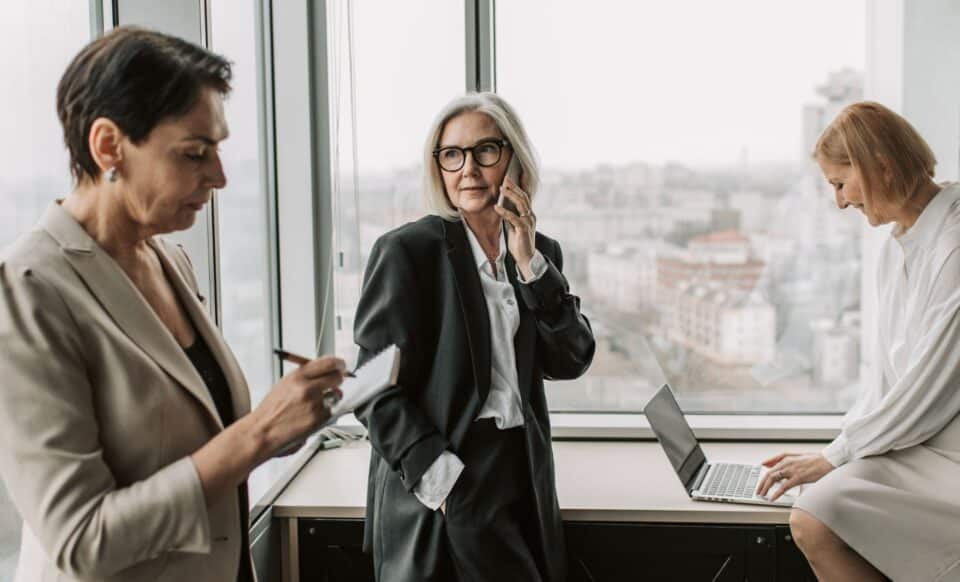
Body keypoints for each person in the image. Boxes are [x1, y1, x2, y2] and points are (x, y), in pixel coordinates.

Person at [0, 27, 346, 582]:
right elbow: (82, 540)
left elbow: (196, 442)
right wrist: (256, 433)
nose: (220, 176)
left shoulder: (170, 259)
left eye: (218, 149)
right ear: (108, 145)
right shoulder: (27, 290)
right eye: (194, 153)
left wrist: (285, 419)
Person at [353, 92, 595, 582]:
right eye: (452, 155)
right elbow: (371, 388)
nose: (468, 168)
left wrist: (529, 264)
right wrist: (442, 480)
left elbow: (571, 359)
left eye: (486, 150)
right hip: (450, 467)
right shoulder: (408, 252)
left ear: (515, 159)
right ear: (438, 167)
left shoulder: (539, 252)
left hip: (520, 469)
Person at [756, 101, 960, 581]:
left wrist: (836, 456)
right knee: (815, 508)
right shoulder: (899, 245)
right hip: (923, 444)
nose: (841, 202)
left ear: (879, 167)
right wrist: (840, 446)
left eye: (839, 184)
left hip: (947, 454)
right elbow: (889, 381)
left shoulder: (955, 246)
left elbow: (928, 391)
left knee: (814, 517)